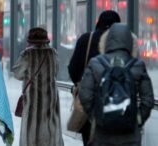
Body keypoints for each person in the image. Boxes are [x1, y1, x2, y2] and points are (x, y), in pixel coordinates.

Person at [79, 23, 154, 146]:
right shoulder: (138, 65)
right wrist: (138, 119)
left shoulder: (95, 63)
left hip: (102, 134)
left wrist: (96, 117)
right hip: (130, 135)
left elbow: (85, 96)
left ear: (106, 41)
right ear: (131, 42)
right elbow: (148, 99)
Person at [68, 10, 121, 146]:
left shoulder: (86, 39)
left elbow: (73, 69)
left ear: (99, 23)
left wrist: (80, 84)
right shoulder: (124, 42)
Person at [12, 27, 64, 146]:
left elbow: (17, 73)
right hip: (51, 100)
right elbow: (56, 71)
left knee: (32, 136)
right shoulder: (53, 53)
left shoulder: (27, 54)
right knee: (50, 132)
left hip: (33, 104)